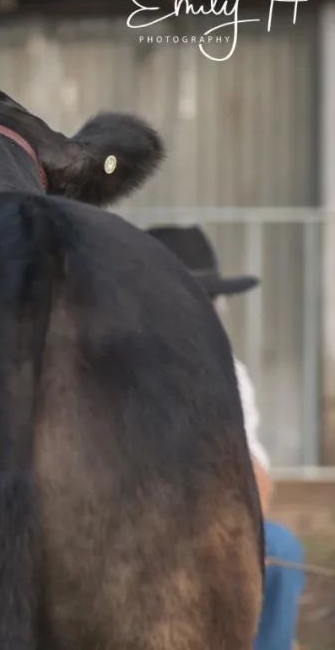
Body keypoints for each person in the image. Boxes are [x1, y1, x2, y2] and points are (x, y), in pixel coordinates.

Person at [147, 224, 306, 650]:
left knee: (281, 549)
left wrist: (242, 534)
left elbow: (254, 468)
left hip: (213, 524)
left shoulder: (230, 373)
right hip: (136, 529)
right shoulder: (114, 370)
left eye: (210, 299)